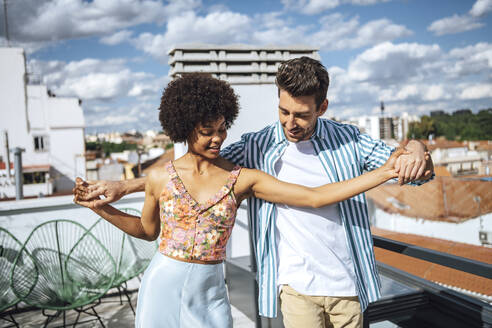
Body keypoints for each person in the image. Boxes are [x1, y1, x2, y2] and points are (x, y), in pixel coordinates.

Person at [75, 58, 433, 328]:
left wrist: (414, 149)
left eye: (301, 114)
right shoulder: (254, 147)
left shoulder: (345, 141)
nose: (290, 122)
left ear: (321, 108)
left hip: (339, 281)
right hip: (282, 285)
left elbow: (395, 171)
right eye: (283, 111)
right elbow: (181, 180)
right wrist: (120, 189)